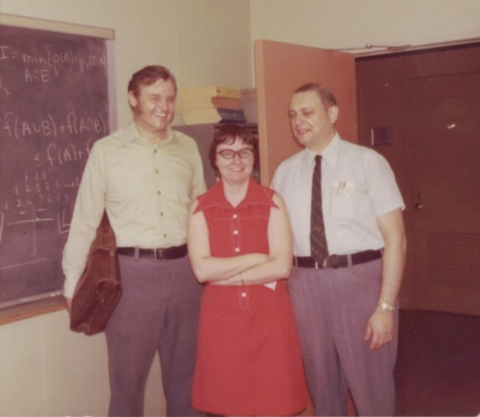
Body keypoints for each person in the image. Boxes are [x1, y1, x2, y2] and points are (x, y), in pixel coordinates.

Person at [62, 65, 206, 416]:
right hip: (131, 278)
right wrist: (70, 284)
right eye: (154, 97)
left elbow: (201, 213)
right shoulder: (106, 151)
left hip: (187, 275)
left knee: (189, 387)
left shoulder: (187, 148)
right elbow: (85, 220)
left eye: (170, 98)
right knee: (127, 388)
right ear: (133, 99)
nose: (164, 106)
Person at [271, 83, 407, 416]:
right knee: (322, 392)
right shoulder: (284, 173)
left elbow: (396, 240)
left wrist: (385, 307)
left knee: (372, 391)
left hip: (359, 285)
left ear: (332, 114)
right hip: (305, 288)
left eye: (307, 112)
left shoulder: (368, 163)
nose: (298, 121)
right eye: (293, 115)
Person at [187, 124, 308, 416]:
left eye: (244, 152)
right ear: (214, 159)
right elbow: (202, 270)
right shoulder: (200, 207)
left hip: (269, 317)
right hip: (221, 321)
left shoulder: (272, 201)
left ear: (254, 158)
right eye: (226, 153)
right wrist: (256, 257)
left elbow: (281, 266)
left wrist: (227, 276)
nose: (236, 161)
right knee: (228, 403)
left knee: (273, 403)